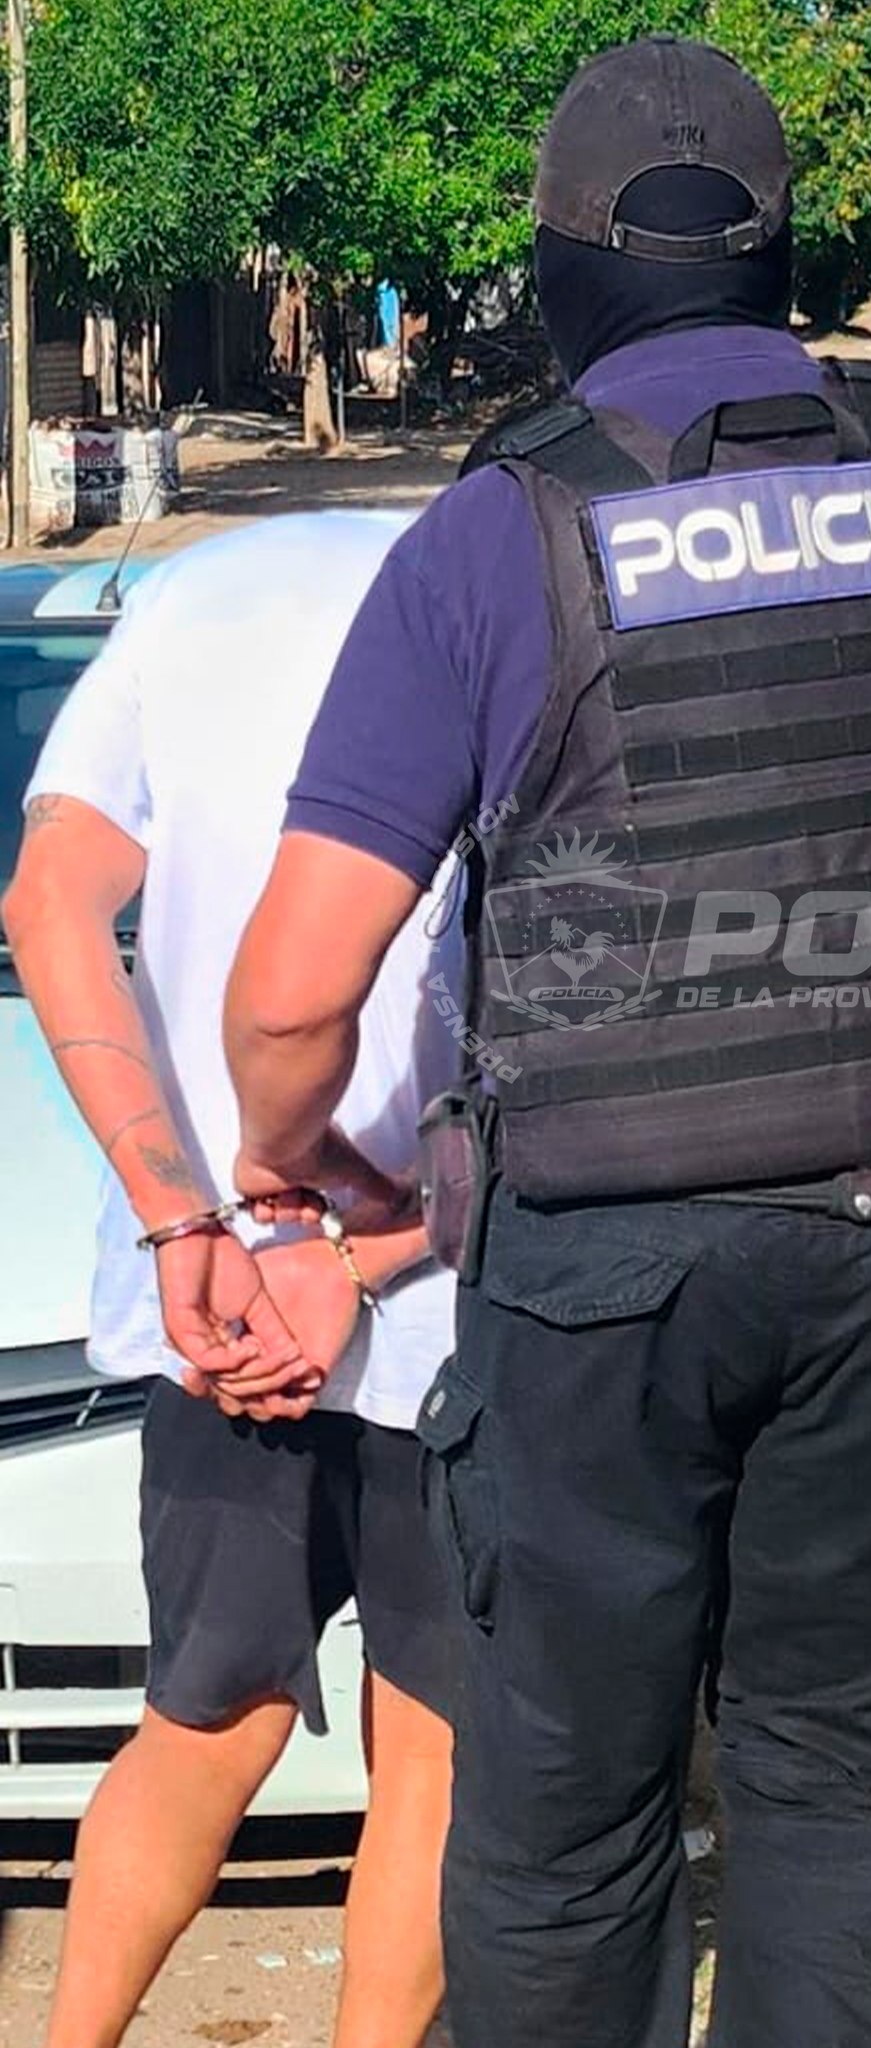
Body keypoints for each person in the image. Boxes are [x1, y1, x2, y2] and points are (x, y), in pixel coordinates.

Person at [223, 36, 871, 2048]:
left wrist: (294, 1167)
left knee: (565, 1825)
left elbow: (290, 988)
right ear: (781, 249)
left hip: (609, 1261)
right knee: (850, 1796)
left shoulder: (499, 527)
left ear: (560, 267)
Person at [2, 512, 462, 2048]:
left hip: (215, 1299)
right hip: (455, 1298)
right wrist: (360, 1249)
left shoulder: (191, 591)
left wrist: (174, 1210)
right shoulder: (515, 575)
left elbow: (48, 899)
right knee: (435, 1752)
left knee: (201, 1720)